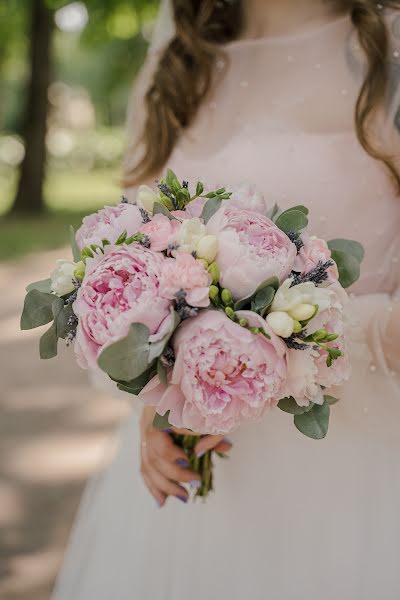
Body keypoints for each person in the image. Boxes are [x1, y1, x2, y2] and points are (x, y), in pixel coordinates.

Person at [52, 1, 400, 598]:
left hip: (359, 468)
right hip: (202, 483)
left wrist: (296, 339)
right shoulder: (175, 65)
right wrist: (157, 394)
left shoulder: (387, 47)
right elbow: (142, 252)